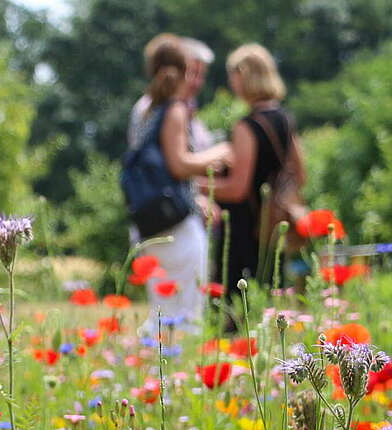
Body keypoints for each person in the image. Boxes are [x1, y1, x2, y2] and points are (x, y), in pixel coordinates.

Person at [128, 39, 230, 332]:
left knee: (162, 308)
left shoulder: (149, 108)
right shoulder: (173, 108)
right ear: (185, 71)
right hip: (175, 222)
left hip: (151, 218)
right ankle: (176, 371)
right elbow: (178, 164)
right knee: (185, 312)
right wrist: (219, 153)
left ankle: (156, 369)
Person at [199, 43, 307, 315]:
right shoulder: (284, 119)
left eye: (233, 75)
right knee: (271, 309)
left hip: (246, 232)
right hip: (273, 228)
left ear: (244, 75)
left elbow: (237, 189)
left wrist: (192, 186)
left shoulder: (248, 126)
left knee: (237, 313)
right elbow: (300, 174)